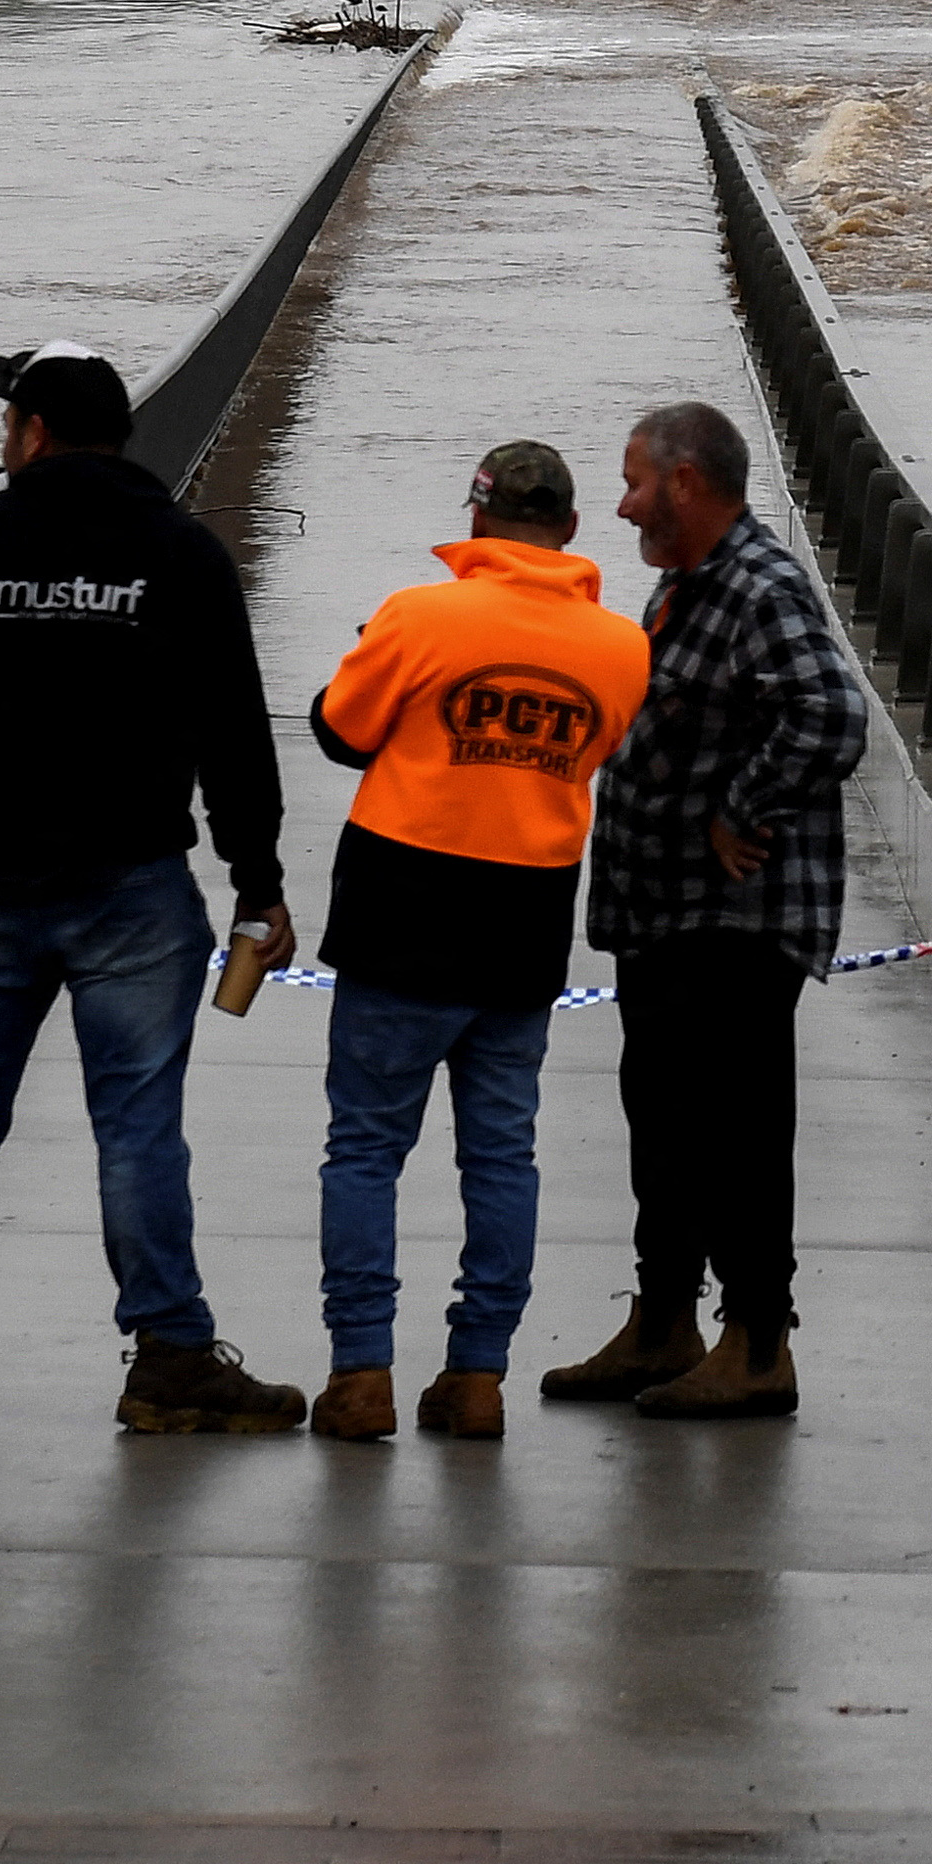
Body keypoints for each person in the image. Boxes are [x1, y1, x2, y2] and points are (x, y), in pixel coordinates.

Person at [0, 338, 307, 1437]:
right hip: (131, 880)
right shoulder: (178, 553)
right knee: (137, 1126)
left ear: (30, 432)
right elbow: (231, 730)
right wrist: (258, 879)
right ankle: (167, 1357)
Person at [301, 439, 649, 1443]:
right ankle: (478, 1375)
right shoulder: (622, 647)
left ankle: (361, 1372)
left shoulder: (419, 615)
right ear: (572, 530)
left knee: (364, 1147)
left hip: (399, 911)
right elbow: (600, 749)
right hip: (524, 921)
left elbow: (340, 729)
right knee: (502, 1156)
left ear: (476, 513)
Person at [538, 399, 873, 1422]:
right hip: (668, 915)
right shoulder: (688, 586)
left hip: (735, 917)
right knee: (665, 1116)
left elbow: (831, 711)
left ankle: (758, 1342)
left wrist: (741, 806)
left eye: (635, 479)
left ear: (685, 483)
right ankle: (664, 1322)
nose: (622, 500)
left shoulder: (758, 587)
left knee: (737, 1126)